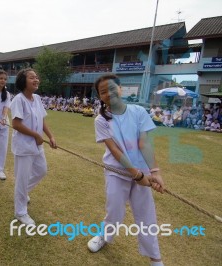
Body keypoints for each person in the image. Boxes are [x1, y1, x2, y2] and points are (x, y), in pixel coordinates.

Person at [87, 74, 165, 266]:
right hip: (117, 171)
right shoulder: (101, 120)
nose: (109, 93)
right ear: (99, 96)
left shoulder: (138, 111)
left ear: (121, 89)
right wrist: (135, 174)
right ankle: (104, 236)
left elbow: (144, 143)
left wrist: (154, 172)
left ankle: (155, 258)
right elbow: (114, 149)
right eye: (103, 92)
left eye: (112, 88)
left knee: (146, 214)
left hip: (144, 173)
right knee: (115, 210)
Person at [10, 68, 57, 225]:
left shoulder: (36, 98)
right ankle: (20, 212)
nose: (36, 80)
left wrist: (50, 136)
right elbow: (15, 124)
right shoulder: (18, 99)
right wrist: (36, 135)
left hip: (37, 146)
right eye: (32, 78)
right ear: (23, 81)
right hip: (24, 146)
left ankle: (22, 193)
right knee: (22, 179)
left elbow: (42, 120)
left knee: (41, 171)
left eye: (37, 77)